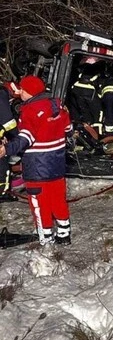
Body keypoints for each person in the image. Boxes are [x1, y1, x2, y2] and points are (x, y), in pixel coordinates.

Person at [0, 76, 73, 245]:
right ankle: (64, 233)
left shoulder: (30, 111)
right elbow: (68, 128)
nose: (21, 93)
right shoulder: (57, 105)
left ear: (29, 92)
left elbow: (26, 137)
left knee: (39, 204)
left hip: (37, 168)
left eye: (23, 90)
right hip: (57, 165)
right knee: (58, 200)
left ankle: (45, 238)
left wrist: (7, 149)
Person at [0, 81, 20, 202]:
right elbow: (9, 123)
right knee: (2, 164)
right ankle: (3, 192)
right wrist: (18, 139)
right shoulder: (2, 96)